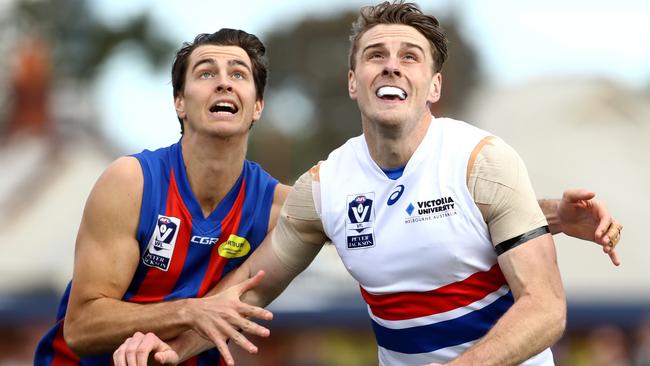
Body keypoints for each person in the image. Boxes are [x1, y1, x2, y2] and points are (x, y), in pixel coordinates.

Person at [111, 1, 624, 365]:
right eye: (375, 55)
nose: (391, 66)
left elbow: (546, 310)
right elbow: (243, 296)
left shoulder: (484, 161)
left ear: (433, 85)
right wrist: (169, 352)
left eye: (410, 56)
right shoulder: (324, 187)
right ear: (353, 82)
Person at [34, 29, 288, 366]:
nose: (224, 83)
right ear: (179, 102)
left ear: (257, 106)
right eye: (206, 72)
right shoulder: (131, 181)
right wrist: (189, 311)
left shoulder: (278, 204)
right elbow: (80, 328)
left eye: (238, 74)